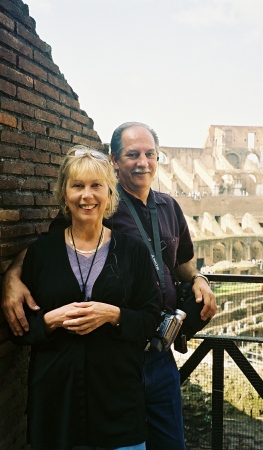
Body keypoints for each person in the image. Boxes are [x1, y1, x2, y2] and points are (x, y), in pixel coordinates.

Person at [2, 122, 217, 450]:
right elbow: (46, 251)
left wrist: (200, 278)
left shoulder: (169, 207)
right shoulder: (90, 209)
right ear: (115, 160)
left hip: (159, 353)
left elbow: (181, 260)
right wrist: (11, 278)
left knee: (170, 444)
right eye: (132, 154)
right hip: (112, 357)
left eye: (149, 154)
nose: (142, 161)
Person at [6, 146, 161, 450]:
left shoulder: (133, 251)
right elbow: (20, 332)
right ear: (64, 194)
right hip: (55, 406)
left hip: (118, 404)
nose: (86, 196)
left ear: (109, 193)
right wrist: (49, 322)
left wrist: (113, 315)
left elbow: (151, 319)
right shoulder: (41, 254)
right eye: (77, 186)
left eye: (95, 186)